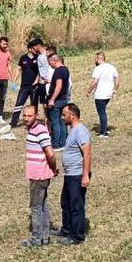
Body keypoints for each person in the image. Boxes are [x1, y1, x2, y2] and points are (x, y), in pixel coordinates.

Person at [21, 104, 58, 248]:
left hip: (39, 175)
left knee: (36, 207)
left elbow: (50, 153)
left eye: (29, 116)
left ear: (36, 116)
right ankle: (45, 236)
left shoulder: (40, 130)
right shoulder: (33, 129)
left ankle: (36, 239)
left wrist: (54, 168)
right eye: (24, 115)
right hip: (39, 174)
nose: (26, 118)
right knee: (43, 205)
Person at [57, 104, 91, 245]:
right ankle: (67, 229)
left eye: (64, 114)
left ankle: (77, 236)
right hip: (70, 174)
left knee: (76, 205)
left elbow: (87, 154)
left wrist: (85, 175)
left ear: (72, 115)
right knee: (66, 203)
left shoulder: (81, 131)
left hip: (77, 174)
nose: (62, 117)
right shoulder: (73, 130)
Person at [87, 51, 120, 138]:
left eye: (96, 59)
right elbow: (117, 78)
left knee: (101, 113)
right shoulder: (111, 67)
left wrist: (89, 91)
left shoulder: (98, 68)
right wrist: (115, 90)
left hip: (100, 94)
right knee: (103, 111)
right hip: (109, 93)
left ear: (99, 59)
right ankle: (104, 128)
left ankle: (104, 132)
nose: (95, 61)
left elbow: (95, 81)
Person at [9, 40, 42, 127]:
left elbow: (40, 71)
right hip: (24, 86)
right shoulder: (23, 57)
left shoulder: (39, 58)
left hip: (35, 86)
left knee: (34, 105)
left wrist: (37, 81)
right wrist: (14, 80)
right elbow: (18, 69)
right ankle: (13, 123)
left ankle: (33, 123)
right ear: (30, 49)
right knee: (19, 103)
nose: (37, 50)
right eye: (35, 48)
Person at [46, 54, 71, 150]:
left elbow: (59, 86)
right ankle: (63, 143)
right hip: (64, 99)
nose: (50, 65)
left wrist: (52, 99)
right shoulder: (65, 69)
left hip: (57, 101)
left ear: (54, 61)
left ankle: (56, 144)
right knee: (62, 122)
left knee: (55, 122)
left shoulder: (58, 71)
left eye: (49, 63)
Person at [35, 41, 53, 107]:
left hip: (49, 82)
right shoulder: (39, 56)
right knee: (43, 102)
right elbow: (40, 71)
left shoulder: (50, 55)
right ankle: (46, 117)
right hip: (42, 82)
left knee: (49, 101)